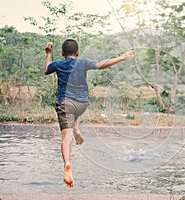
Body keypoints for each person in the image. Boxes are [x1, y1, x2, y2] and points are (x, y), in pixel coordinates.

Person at [44, 39, 134, 187]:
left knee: (67, 138)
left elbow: (46, 70)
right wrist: (122, 57)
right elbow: (102, 64)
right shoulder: (83, 62)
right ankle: (77, 129)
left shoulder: (58, 64)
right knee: (76, 111)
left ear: (62, 53)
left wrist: (48, 54)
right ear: (77, 53)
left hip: (66, 104)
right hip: (83, 104)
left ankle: (67, 164)